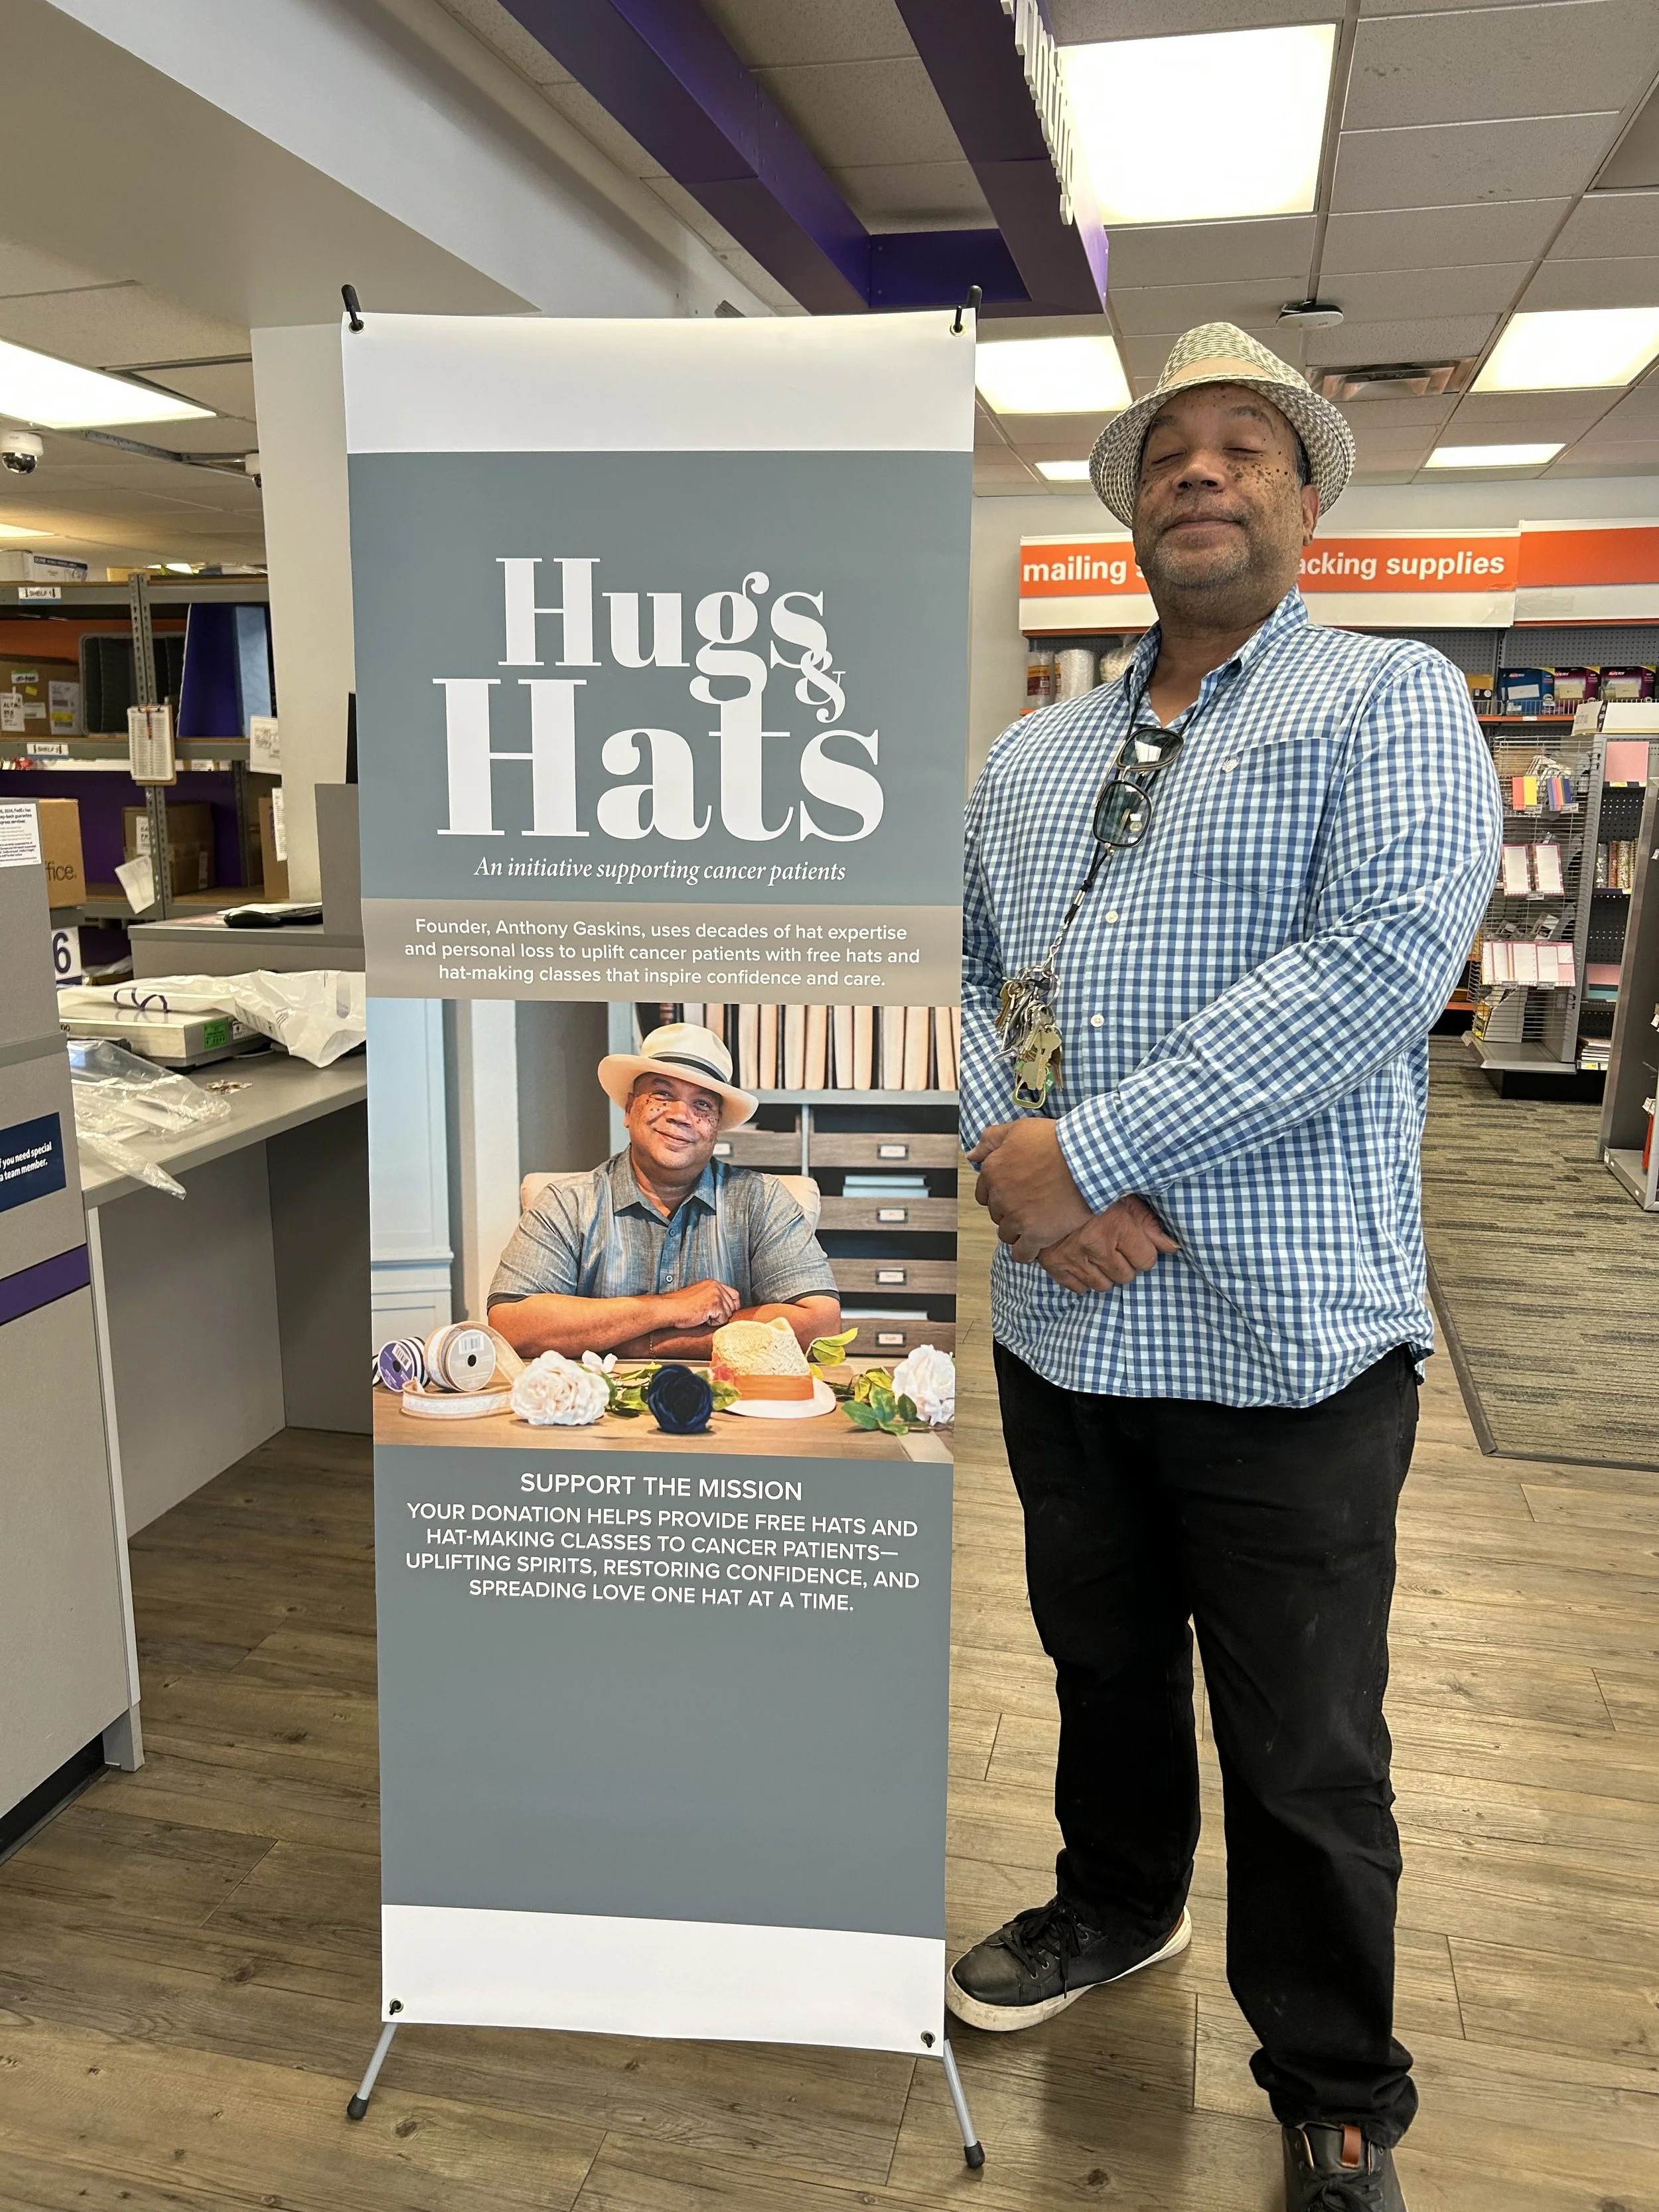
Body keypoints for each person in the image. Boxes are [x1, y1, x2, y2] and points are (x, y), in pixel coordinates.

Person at [952, 325, 1501, 2212]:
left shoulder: (1387, 702)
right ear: (1124, 505)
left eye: (1239, 448)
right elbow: (968, 985)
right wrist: (1025, 1178)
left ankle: (1336, 2083)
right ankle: (1116, 1904)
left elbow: (1371, 970)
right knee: (1098, 1668)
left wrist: (1087, 1154)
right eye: (1164, 451)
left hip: (1288, 1340)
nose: (1197, 472)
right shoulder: (1028, 757)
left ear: (1306, 493)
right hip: (1064, 1326)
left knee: (1301, 1739)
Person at [488, 1021, 841, 1361]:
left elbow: (820, 1326)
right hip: (595, 1413)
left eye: (702, 1104)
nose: (681, 1115)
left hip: (730, 1411)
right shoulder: (566, 1204)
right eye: (663, 1094)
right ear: (630, 1108)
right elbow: (511, 1325)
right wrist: (670, 1307)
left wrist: (645, 1343)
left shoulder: (763, 1201)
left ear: (716, 1125)